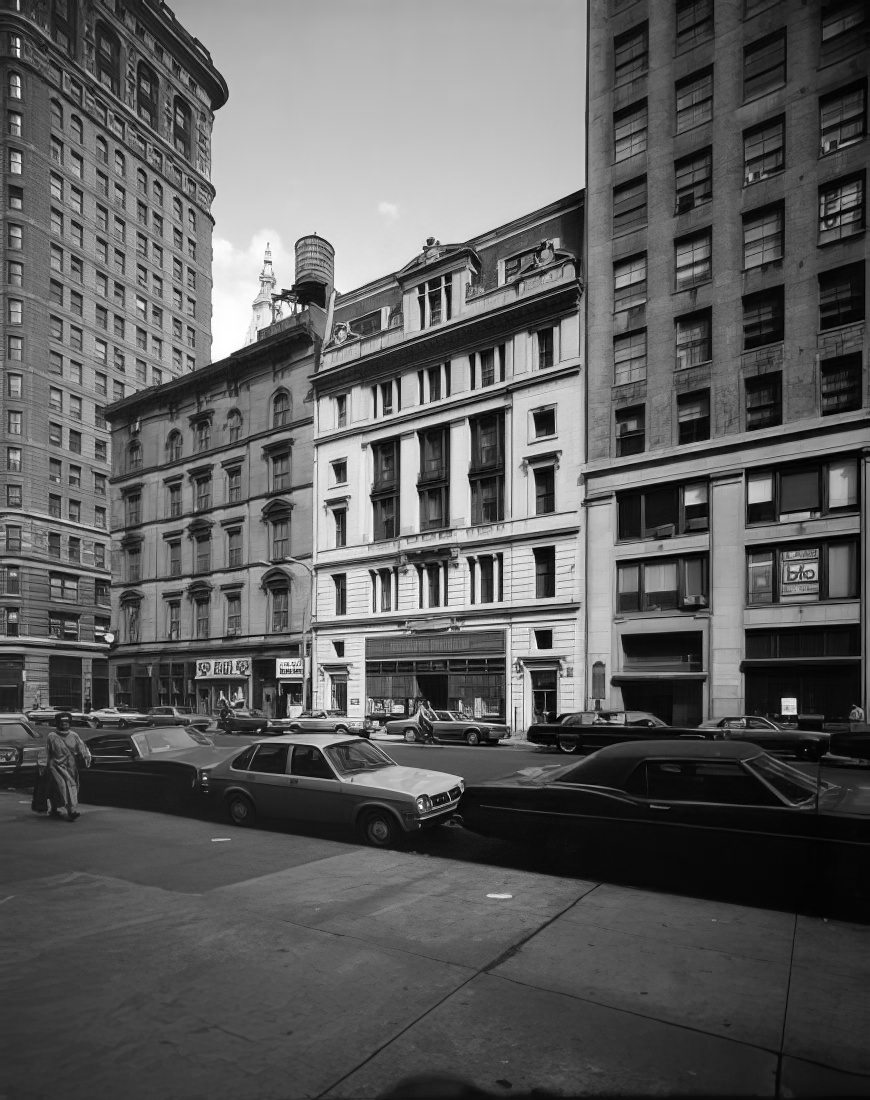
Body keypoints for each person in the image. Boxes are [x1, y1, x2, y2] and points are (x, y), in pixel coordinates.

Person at [45, 711, 91, 822]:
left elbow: (82, 748)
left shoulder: (74, 735)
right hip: (55, 766)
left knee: (71, 786)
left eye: (66, 723)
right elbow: (47, 752)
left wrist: (86, 757)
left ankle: (69, 810)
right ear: (57, 724)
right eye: (62, 723)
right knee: (61, 787)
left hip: (70, 767)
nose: (64, 725)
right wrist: (43, 765)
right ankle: (66, 810)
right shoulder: (51, 736)